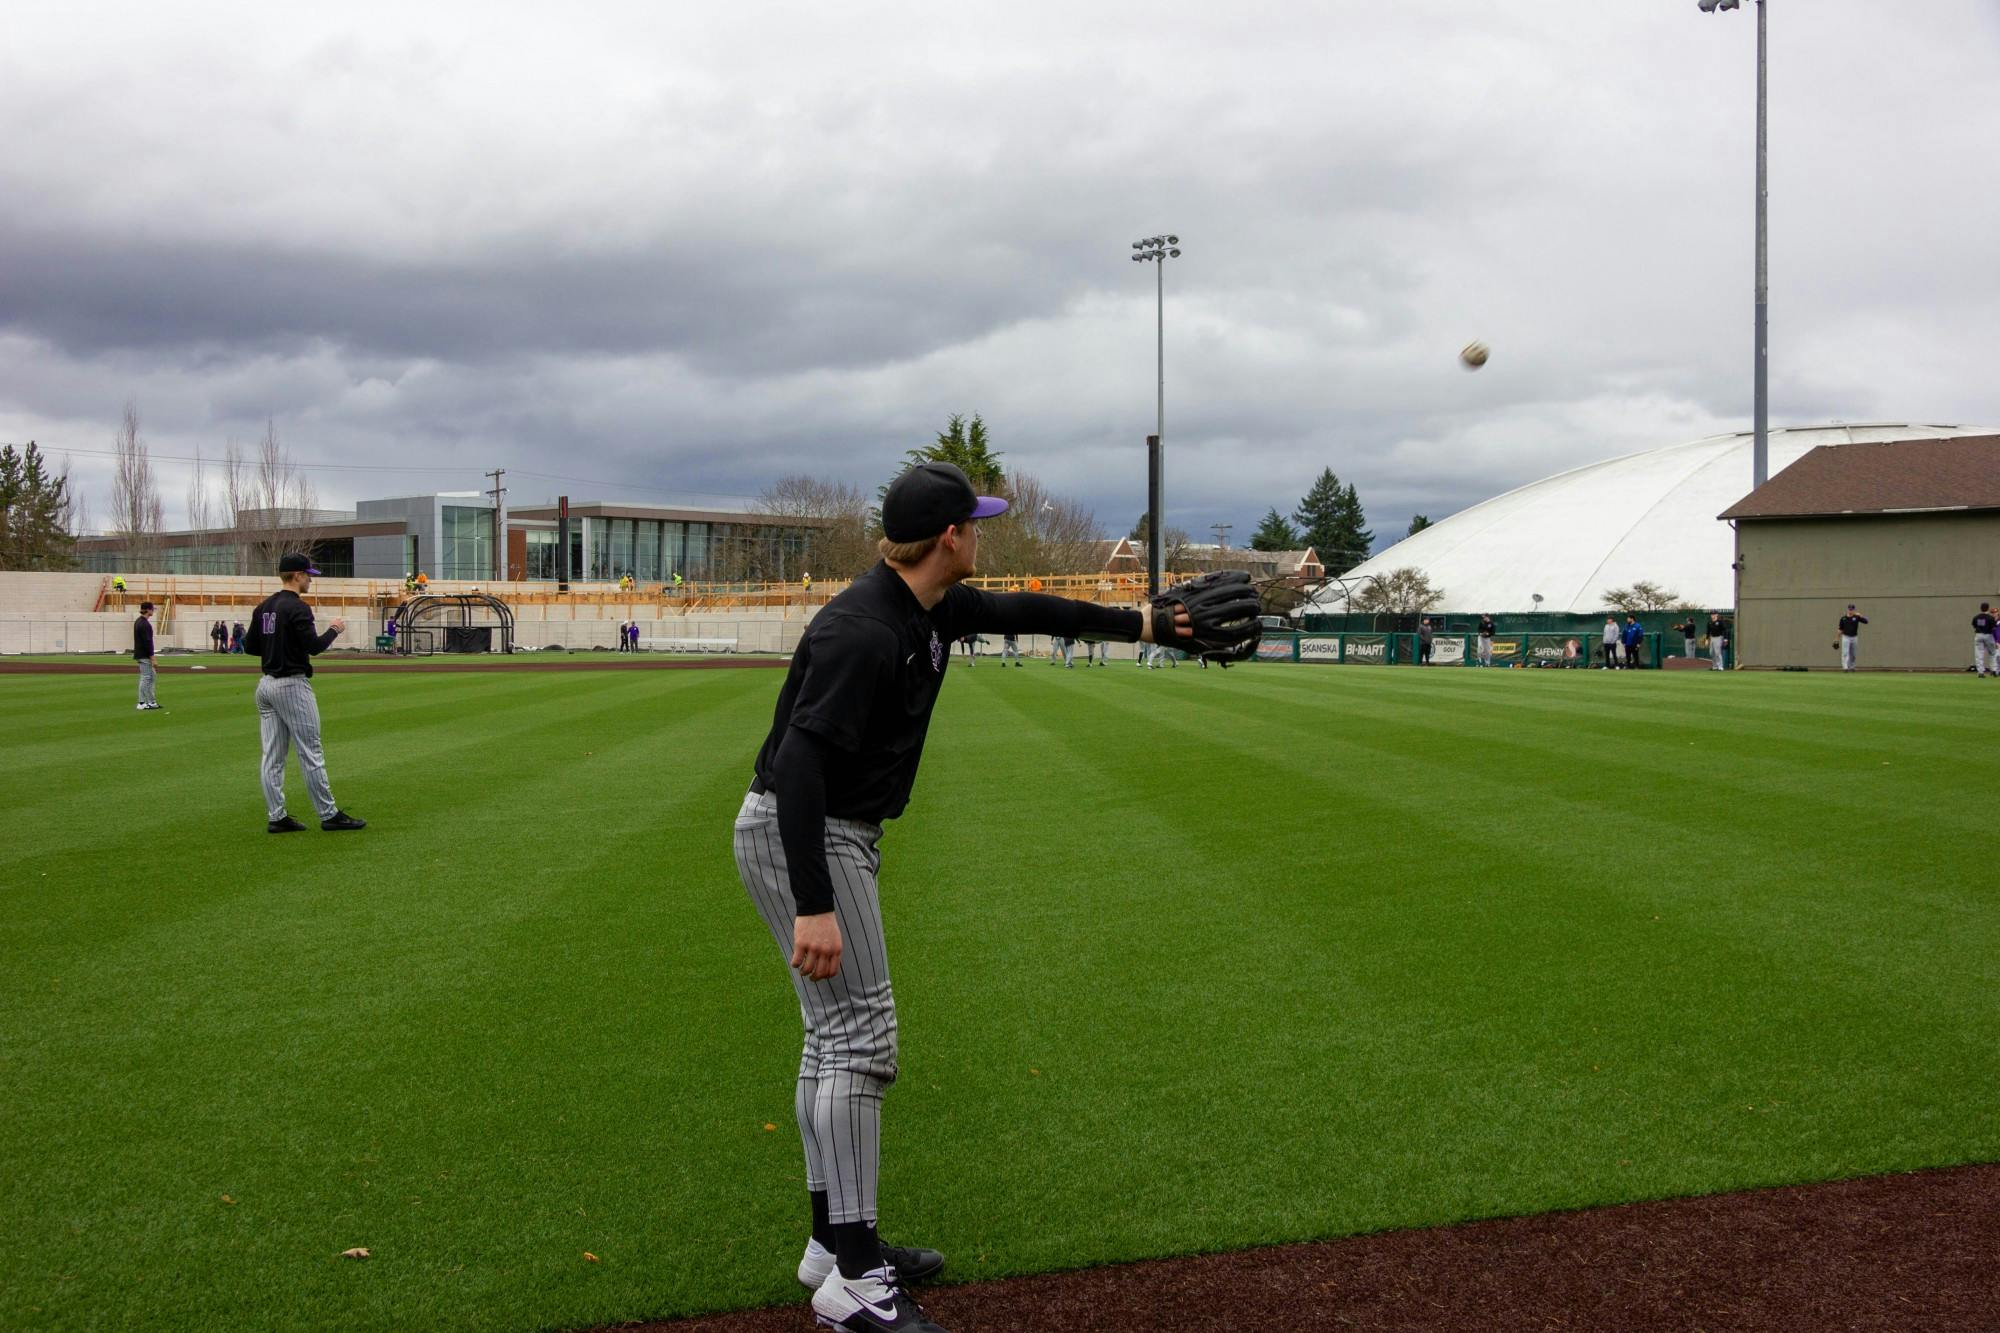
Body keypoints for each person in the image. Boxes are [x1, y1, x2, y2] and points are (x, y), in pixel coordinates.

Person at [732, 461, 1232, 1333]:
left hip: (818, 829)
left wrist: (1148, 619)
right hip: (806, 830)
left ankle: (833, 1246)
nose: (984, 534)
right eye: (979, 523)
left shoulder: (926, 605)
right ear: (952, 536)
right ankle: (853, 1279)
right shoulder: (865, 628)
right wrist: (814, 902)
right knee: (863, 1036)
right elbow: (804, 763)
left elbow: (1033, 610)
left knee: (833, 1034)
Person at [244, 553, 364, 834]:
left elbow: (250, 647)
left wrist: (278, 646)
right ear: (296, 575)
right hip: (291, 684)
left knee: (272, 756)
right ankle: (328, 813)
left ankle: (277, 816)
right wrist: (334, 630)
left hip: (266, 685)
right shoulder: (298, 607)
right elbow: (314, 646)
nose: (311, 579)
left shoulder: (264, 606)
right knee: (311, 751)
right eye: (308, 574)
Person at [132, 601, 160, 711]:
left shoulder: (139, 621)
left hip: (142, 654)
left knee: (151, 677)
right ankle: (142, 702)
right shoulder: (144, 624)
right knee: (146, 678)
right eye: (152, 609)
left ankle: (151, 701)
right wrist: (153, 658)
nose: (153, 611)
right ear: (148, 610)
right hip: (144, 655)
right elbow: (148, 642)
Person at [1837, 604, 1868, 673]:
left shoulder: (1856, 617)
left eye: (1852, 609)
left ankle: (1852, 667)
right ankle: (1845, 667)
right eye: (1849, 609)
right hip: (1846, 637)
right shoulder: (1843, 618)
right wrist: (1836, 639)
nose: (1850, 610)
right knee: (1845, 653)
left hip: (1854, 637)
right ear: (1847, 609)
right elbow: (1840, 629)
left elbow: (1866, 621)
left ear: (1854, 610)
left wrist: (1861, 615)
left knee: (1853, 654)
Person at [1974, 604, 1997, 677]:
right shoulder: (1990, 618)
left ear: (1980, 608)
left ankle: (1980, 672)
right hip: (1988, 635)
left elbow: (1974, 626)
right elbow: (1993, 628)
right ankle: (1993, 670)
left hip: (1978, 635)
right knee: (1992, 653)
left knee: (1979, 654)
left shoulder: (1976, 617)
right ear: (1988, 608)